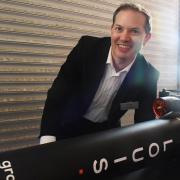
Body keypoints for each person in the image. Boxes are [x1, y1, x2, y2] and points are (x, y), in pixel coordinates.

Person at [39, 3, 159, 144]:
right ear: (111, 30)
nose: (124, 37)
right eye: (119, 28)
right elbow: (58, 94)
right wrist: (48, 136)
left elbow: (144, 122)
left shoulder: (148, 75)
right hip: (67, 127)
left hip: (106, 133)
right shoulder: (86, 48)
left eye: (134, 31)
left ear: (146, 38)